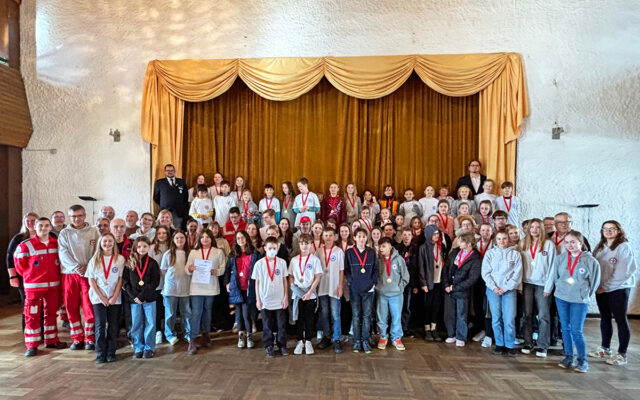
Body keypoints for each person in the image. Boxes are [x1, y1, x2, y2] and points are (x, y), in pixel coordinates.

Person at [13, 217, 67, 356]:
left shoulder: (57, 243)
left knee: (51, 314)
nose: (44, 228)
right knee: (32, 316)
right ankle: (32, 345)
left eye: (46, 225)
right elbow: (20, 266)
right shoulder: (26, 245)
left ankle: (51, 340)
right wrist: (32, 276)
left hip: (54, 286)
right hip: (34, 287)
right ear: (35, 228)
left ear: (50, 228)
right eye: (41, 226)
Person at [553, 230, 600, 373]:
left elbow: (594, 282)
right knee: (565, 328)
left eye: (573, 242)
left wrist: (583, 295)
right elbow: (556, 277)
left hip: (579, 301)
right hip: (561, 298)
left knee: (576, 330)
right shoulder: (560, 258)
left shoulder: (591, 261)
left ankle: (582, 360)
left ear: (580, 243)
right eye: (566, 242)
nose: (569, 245)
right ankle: (568, 356)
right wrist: (560, 290)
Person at [591, 221, 637, 366]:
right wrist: (598, 286)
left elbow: (624, 271)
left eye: (612, 229)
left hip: (618, 288)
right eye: (605, 229)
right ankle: (605, 348)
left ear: (619, 231)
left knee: (620, 319)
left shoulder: (623, 247)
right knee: (605, 318)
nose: (608, 231)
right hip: (601, 288)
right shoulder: (600, 246)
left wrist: (606, 286)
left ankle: (622, 354)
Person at [58, 205, 99, 350]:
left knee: (89, 305)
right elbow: (63, 253)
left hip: (88, 273)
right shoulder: (64, 233)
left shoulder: (94, 232)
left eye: (80, 215)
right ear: (70, 217)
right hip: (70, 274)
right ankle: (77, 338)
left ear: (85, 215)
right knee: (71, 305)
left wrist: (88, 266)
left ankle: (90, 338)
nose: (77, 219)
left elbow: (97, 251)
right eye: (74, 216)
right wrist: (76, 267)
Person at [185, 229, 226, 354]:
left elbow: (222, 268)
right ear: (199, 239)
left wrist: (216, 272)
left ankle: (206, 334)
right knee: (196, 312)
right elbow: (187, 269)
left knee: (207, 312)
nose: (205, 239)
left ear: (211, 238)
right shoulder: (194, 252)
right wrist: (190, 268)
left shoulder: (218, 252)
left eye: (207, 237)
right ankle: (192, 339)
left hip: (211, 287)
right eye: (202, 237)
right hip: (196, 287)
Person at [482, 230, 522, 357]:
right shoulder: (490, 254)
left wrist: (505, 287)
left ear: (508, 240)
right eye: (499, 239)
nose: (502, 241)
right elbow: (485, 273)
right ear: (496, 240)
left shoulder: (515, 254)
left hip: (509, 290)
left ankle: (509, 344)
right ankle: (499, 344)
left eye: (504, 238)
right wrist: (494, 287)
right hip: (493, 290)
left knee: (509, 318)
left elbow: (517, 274)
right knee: (496, 318)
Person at [519, 218, 556, 358]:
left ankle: (542, 345)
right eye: (531, 227)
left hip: (542, 284)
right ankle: (528, 342)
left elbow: (553, 267)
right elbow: (518, 265)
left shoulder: (548, 245)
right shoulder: (523, 243)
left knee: (543, 316)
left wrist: (548, 286)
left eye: (537, 227)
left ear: (542, 229)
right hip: (526, 283)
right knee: (527, 314)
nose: (534, 230)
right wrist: (519, 284)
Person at [86, 233, 124, 363]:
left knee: (113, 326)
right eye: (104, 241)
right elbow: (91, 281)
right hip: (98, 298)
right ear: (100, 244)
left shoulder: (119, 259)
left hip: (114, 298)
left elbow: (120, 280)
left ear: (114, 243)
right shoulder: (94, 259)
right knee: (100, 326)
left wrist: (114, 296)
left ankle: (111, 352)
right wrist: (102, 297)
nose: (107, 244)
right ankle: (100, 353)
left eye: (110, 241)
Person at [122, 236, 161, 359]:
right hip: (134, 300)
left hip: (149, 298)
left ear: (149, 247)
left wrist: (142, 295)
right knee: (136, 324)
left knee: (150, 323)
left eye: (145, 246)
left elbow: (155, 282)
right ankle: (138, 347)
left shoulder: (153, 263)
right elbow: (125, 281)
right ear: (135, 248)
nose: (142, 249)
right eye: (139, 246)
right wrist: (134, 296)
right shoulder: (129, 263)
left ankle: (149, 348)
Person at [253, 236, 289, 358]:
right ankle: (268, 345)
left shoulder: (282, 262)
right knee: (267, 324)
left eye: (274, 248)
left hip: (279, 299)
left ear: (278, 248)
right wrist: (258, 299)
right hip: (265, 299)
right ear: (265, 248)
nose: (272, 250)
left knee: (281, 324)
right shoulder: (259, 264)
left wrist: (285, 297)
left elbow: (285, 280)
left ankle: (282, 345)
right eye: (270, 248)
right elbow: (256, 282)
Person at [443, 233, 481, 347]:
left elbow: (472, 278)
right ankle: (451, 334)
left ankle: (461, 336)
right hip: (449, 288)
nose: (458, 243)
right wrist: (446, 284)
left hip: (462, 290)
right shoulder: (455, 252)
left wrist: (456, 287)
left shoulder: (475, 257)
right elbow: (446, 269)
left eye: (461, 241)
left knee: (461, 313)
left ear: (468, 243)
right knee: (449, 313)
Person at [344, 228, 378, 354]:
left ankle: (365, 340)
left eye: (364, 236)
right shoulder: (349, 252)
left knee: (367, 316)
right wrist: (351, 281)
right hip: (355, 289)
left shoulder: (371, 252)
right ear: (354, 238)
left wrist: (373, 283)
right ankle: (357, 341)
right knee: (356, 315)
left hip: (368, 289)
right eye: (359, 236)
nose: (362, 239)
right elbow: (346, 269)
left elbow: (375, 269)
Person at [225, 231, 261, 349]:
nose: (240, 240)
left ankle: (249, 335)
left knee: (247, 314)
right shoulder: (233, 254)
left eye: (242, 237)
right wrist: (227, 283)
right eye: (238, 238)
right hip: (237, 287)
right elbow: (227, 270)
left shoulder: (255, 253)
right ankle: (241, 336)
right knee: (239, 314)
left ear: (246, 238)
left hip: (249, 287)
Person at [289, 234, 323, 355]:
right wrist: (293, 288)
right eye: (302, 244)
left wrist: (309, 293)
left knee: (309, 318)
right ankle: (299, 341)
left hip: (310, 294)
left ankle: (308, 341)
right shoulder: (294, 260)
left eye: (307, 244)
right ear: (299, 245)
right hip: (297, 294)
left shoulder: (315, 260)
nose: (304, 246)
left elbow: (317, 277)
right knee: (299, 318)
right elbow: (291, 276)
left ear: (311, 245)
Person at [6, 212, 39, 330]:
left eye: (33, 220)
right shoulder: (18, 238)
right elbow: (10, 258)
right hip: (23, 277)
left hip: (41, 278)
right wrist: (12, 276)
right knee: (28, 304)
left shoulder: (46, 235)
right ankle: (29, 331)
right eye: (27, 220)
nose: (30, 223)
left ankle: (41, 331)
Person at [376, 237, 410, 351]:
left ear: (390, 247)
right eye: (380, 246)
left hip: (396, 294)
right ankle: (383, 336)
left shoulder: (399, 259)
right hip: (382, 293)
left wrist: (399, 288)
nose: (381, 249)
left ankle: (396, 338)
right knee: (382, 316)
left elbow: (405, 277)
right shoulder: (378, 260)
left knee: (396, 317)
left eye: (384, 246)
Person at [315, 227, 345, 353]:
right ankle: (327, 337)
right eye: (325, 235)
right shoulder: (318, 251)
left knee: (335, 314)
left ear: (334, 237)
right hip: (322, 287)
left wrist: (340, 286)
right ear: (322, 237)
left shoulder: (338, 251)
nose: (328, 238)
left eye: (330, 235)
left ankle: (337, 339)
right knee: (324, 313)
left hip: (334, 287)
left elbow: (341, 270)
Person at [160, 230, 192, 346]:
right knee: (170, 313)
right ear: (173, 240)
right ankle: (170, 335)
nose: (179, 240)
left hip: (186, 288)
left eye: (182, 238)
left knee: (187, 313)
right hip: (170, 289)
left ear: (185, 239)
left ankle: (187, 333)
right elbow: (163, 271)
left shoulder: (189, 253)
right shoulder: (168, 254)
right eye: (177, 238)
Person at [418, 225, 447, 342]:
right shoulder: (423, 248)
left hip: (439, 280)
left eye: (438, 234)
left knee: (436, 305)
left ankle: (434, 328)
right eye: (434, 234)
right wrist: (423, 282)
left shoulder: (441, 246)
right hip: (429, 281)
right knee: (427, 306)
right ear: (429, 234)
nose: (436, 236)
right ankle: (427, 329)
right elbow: (421, 266)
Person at [395, 229, 419, 337]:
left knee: (406, 306)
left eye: (409, 235)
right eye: (404, 234)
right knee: (396, 306)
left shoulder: (415, 249)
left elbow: (417, 268)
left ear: (412, 236)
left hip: (409, 282)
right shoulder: (396, 249)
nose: (406, 237)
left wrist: (415, 285)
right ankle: (396, 326)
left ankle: (404, 327)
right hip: (397, 282)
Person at [149, 226, 170, 344]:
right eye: (159, 233)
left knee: (167, 309)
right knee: (156, 309)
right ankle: (157, 331)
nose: (162, 235)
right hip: (157, 284)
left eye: (164, 233)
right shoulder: (151, 248)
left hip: (169, 283)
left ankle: (168, 330)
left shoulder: (171, 247)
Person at [153, 164, 188, 229]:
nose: (170, 172)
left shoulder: (181, 182)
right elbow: (156, 197)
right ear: (165, 172)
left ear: (174, 171)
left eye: (172, 170)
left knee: (177, 230)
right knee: (164, 229)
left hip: (178, 212)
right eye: (168, 170)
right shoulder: (159, 182)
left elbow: (185, 197)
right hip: (165, 211)